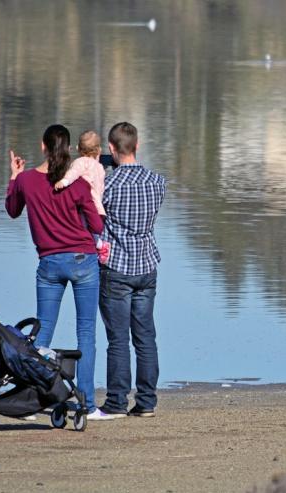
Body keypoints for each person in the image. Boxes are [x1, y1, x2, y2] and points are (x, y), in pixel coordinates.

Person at [4, 124, 113, 421]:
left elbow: (12, 210)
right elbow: (97, 226)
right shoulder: (77, 184)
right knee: (86, 333)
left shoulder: (26, 181)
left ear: (42, 146)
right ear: (68, 150)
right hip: (82, 260)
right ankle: (88, 404)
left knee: (41, 335)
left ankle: (32, 401)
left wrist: (14, 177)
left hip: (49, 264)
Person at [97, 122, 166, 418]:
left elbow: (95, 216)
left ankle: (116, 401)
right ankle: (147, 400)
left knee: (118, 339)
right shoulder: (157, 181)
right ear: (137, 146)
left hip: (117, 267)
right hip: (147, 265)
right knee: (145, 336)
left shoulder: (108, 185)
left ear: (111, 149)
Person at [54, 130, 107, 216]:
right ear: (99, 150)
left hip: (86, 204)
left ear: (78, 148)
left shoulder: (80, 162)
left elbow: (73, 173)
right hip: (99, 207)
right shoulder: (99, 167)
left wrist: (64, 181)